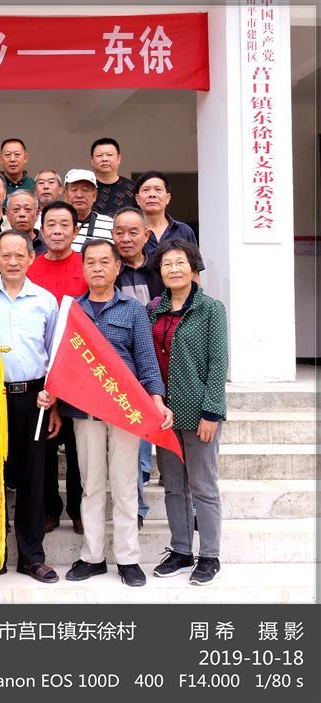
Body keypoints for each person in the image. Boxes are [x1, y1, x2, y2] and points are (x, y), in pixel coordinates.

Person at [62, 239, 172, 588]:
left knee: (125, 486)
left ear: (116, 267)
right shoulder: (71, 311)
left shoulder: (133, 310)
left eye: (103, 262)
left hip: (125, 411)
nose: (97, 268)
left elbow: (147, 360)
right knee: (91, 486)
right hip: (84, 411)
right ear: (82, 268)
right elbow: (60, 361)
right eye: (90, 262)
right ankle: (92, 556)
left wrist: (156, 398)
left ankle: (128, 559)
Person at [0, 231, 61, 583]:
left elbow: (54, 355)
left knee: (32, 479)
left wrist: (53, 400)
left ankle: (31, 557)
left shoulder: (45, 300)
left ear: (30, 258)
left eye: (19, 255)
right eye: (5, 255)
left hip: (35, 399)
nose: (12, 262)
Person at [149, 240, 227, 586]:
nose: (174, 269)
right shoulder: (155, 309)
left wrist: (212, 412)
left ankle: (209, 556)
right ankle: (181, 550)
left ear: (193, 268)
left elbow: (218, 363)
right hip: (163, 414)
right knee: (173, 487)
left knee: (203, 486)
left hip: (199, 414)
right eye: (167, 264)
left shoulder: (211, 308)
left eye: (180, 262)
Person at [27, 202, 87, 535]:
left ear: (76, 231)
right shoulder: (31, 267)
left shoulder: (86, 264)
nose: (58, 231)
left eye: (65, 224)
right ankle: (51, 508)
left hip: (79, 370)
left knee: (78, 447)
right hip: (42, 370)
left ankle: (78, 509)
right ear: (41, 229)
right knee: (45, 444)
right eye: (51, 224)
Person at [113, 206, 165, 529]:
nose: (126, 238)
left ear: (146, 235)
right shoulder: (108, 268)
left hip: (158, 357)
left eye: (133, 232)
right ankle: (138, 506)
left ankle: (144, 494)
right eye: (120, 232)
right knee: (134, 434)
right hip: (122, 366)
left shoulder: (161, 268)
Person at [134, 171, 199, 255]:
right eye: (146, 190)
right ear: (137, 199)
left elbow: (194, 263)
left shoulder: (184, 231)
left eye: (158, 189)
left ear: (168, 198)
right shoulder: (132, 233)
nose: (152, 194)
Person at [64, 168, 114, 252]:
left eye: (85, 190)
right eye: (74, 190)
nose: (79, 195)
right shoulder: (55, 224)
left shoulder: (109, 224)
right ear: (66, 195)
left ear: (94, 195)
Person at [90, 138, 136, 216]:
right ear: (92, 160)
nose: (104, 159)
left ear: (119, 159)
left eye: (109, 155)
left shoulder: (133, 188)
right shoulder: (86, 187)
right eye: (99, 155)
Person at [0, 189, 46, 254]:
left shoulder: (48, 245)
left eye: (28, 209)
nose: (22, 214)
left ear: (37, 214)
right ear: (7, 215)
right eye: (16, 209)